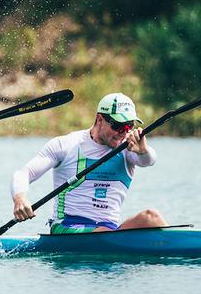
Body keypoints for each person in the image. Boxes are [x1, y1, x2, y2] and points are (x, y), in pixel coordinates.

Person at [11, 93, 166, 234]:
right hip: (67, 226)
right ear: (100, 119)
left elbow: (148, 161)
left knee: (151, 217)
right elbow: (24, 173)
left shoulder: (129, 148)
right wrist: (20, 198)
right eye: (118, 126)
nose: (124, 133)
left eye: (129, 126)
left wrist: (143, 151)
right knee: (104, 232)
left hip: (107, 229)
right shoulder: (67, 145)